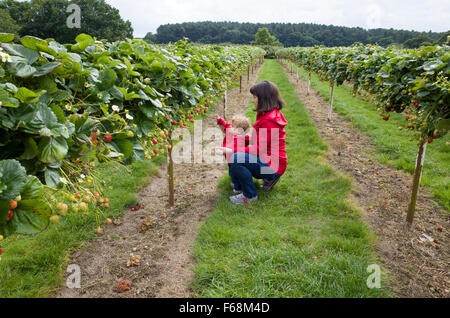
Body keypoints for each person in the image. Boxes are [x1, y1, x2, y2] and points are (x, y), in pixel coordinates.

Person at [223, 80, 288, 205]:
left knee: (236, 158)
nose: (253, 100)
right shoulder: (264, 114)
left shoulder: (269, 121)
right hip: (271, 161)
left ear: (263, 99)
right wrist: (241, 137)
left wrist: (232, 150)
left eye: (255, 97)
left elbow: (258, 149)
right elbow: (257, 139)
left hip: (272, 166)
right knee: (237, 153)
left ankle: (249, 195)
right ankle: (266, 179)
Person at [214, 114, 251, 194]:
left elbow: (233, 150)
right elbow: (227, 126)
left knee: (235, 174)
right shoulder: (233, 133)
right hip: (230, 159)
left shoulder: (240, 140)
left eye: (233, 127)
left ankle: (237, 188)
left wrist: (223, 151)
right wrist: (220, 120)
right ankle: (235, 182)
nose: (230, 128)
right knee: (232, 172)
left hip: (235, 161)